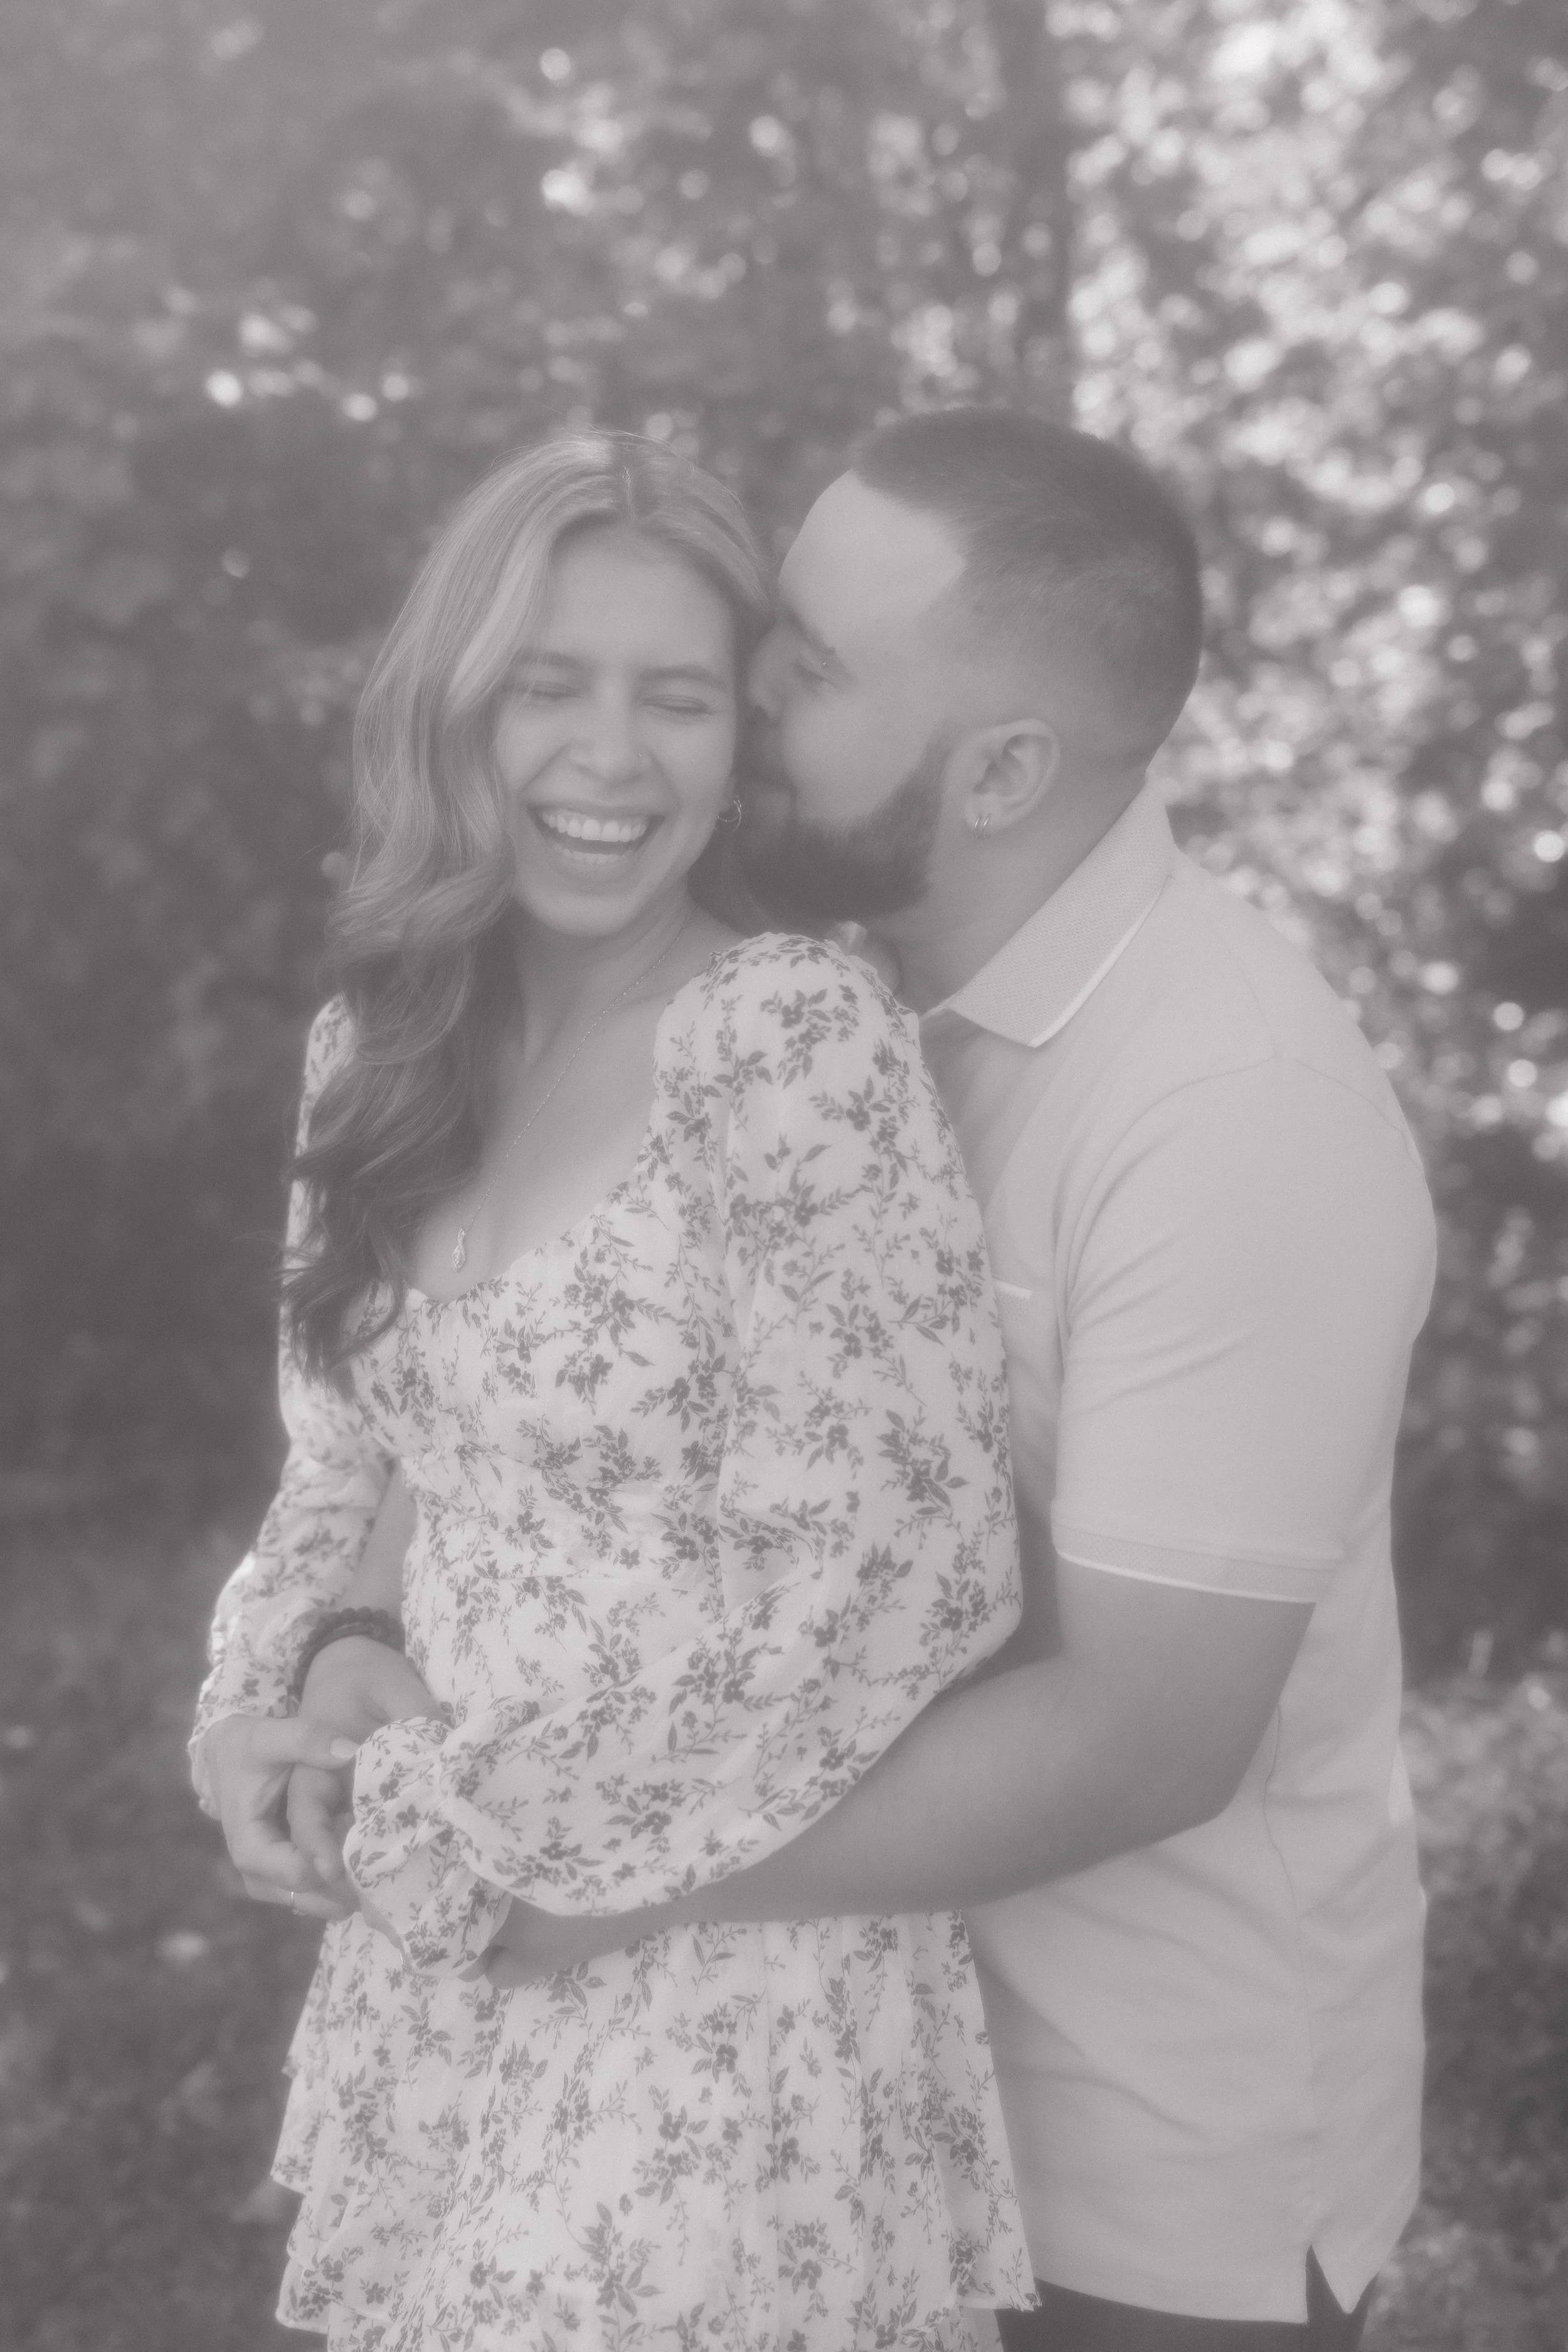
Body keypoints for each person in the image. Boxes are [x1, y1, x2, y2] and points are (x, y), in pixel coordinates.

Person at [460, 411, 1435, 2349]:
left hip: (1135, 2171)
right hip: (810, 2082)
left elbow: (1149, 1731)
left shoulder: (1228, 1110)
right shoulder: (797, 1001)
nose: (739, 687)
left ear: (999, 768)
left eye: (807, 667)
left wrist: (626, 1883)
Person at [191, 431, 1034, 2351]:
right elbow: (345, 1459)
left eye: (676, 697)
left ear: (737, 741)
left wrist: (498, 1825)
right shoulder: (378, 1048)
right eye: (547, 686)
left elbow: (910, 1566)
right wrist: (269, 1708)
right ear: (451, 712)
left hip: (709, 1964)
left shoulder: (790, 1037)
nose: (611, 755)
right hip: (440, 1952)